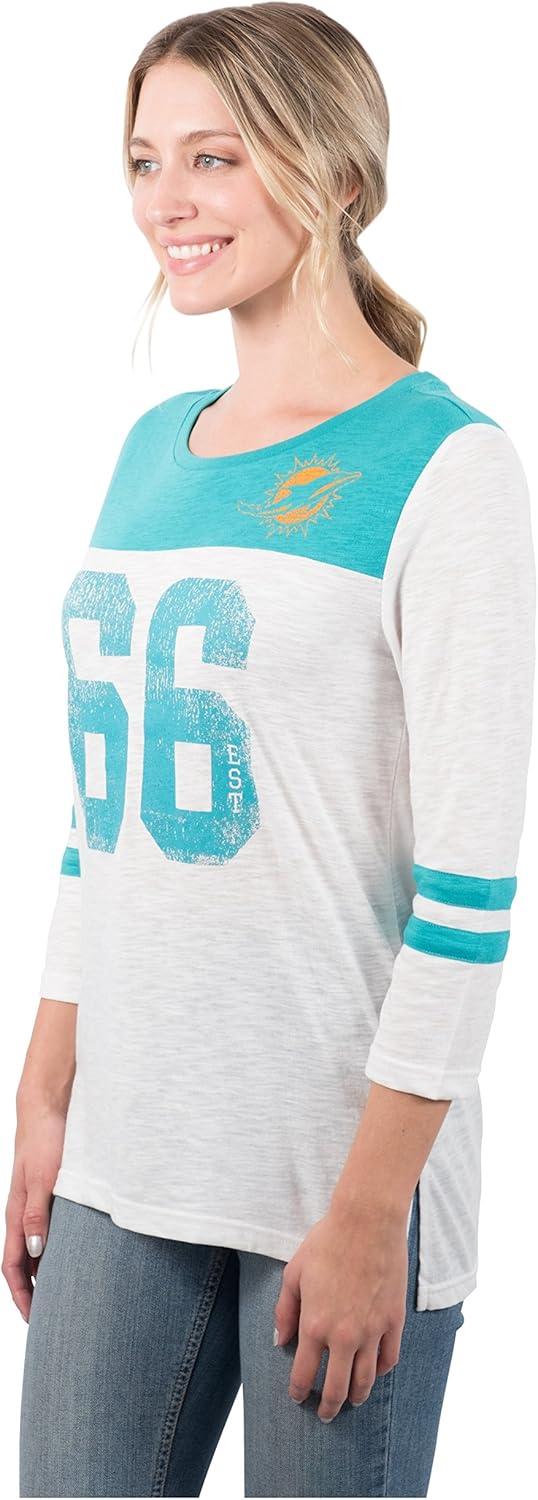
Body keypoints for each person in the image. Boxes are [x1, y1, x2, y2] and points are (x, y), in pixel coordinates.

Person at [7, 4, 534, 1497]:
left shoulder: (446, 468)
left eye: (216, 157)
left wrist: (376, 1208)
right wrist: (44, 1092)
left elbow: (470, 887)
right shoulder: (150, 449)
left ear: (337, 175)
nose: (166, 201)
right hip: (124, 1159)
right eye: (144, 160)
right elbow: (102, 810)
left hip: (335, 1177)